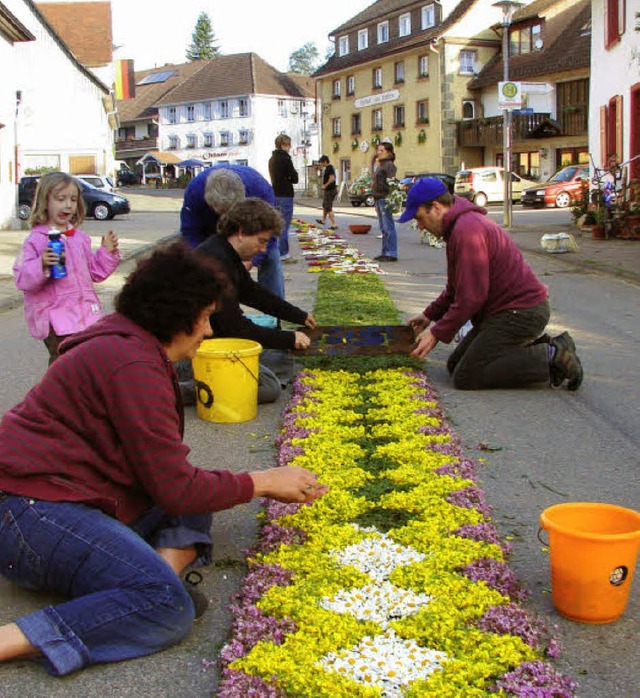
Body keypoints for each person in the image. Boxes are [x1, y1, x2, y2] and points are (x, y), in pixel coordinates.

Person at [0, 241, 328, 677]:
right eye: (206, 317)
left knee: (199, 499)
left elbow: (175, 482)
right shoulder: (131, 363)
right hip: (30, 514)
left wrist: (234, 484)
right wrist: (264, 480)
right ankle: (16, 638)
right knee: (168, 608)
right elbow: (175, 486)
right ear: (176, 314)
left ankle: (156, 574)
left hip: (64, 498)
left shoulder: (134, 344)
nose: (209, 331)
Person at [399, 178, 584, 391]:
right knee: (454, 365)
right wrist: (429, 315)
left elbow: (471, 297)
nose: (420, 226)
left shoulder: (467, 230)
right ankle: (546, 347)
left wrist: (436, 333)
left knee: (467, 376)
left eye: (419, 218)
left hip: (521, 313)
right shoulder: (459, 227)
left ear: (437, 208)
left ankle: (553, 356)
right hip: (504, 313)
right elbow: (455, 289)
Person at [178, 198, 315, 405]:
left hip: (216, 341)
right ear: (241, 232)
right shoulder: (215, 263)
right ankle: (178, 390)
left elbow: (254, 293)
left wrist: (299, 316)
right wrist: (289, 338)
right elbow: (235, 329)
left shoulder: (223, 251)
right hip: (191, 350)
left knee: (278, 357)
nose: (263, 249)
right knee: (270, 388)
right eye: (262, 241)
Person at [13, 172, 120, 364]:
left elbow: (95, 271)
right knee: (64, 364)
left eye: (72, 199)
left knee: (90, 361)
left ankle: (84, 393)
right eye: (60, 199)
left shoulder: (79, 238)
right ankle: (55, 394)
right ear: (45, 202)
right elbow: (21, 277)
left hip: (86, 315)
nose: (68, 205)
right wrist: (42, 264)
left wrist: (107, 252)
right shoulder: (37, 240)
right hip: (56, 317)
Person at [180, 165, 285, 299]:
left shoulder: (260, 190)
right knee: (199, 267)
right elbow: (190, 232)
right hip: (209, 228)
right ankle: (206, 310)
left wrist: (252, 260)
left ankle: (275, 312)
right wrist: (205, 260)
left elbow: (270, 233)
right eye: (221, 212)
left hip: (250, 225)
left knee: (270, 258)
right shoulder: (195, 191)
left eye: (229, 211)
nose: (226, 218)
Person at [268, 134, 299, 261]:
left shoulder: (272, 159)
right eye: (288, 144)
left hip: (275, 193)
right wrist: (290, 177)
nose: (290, 147)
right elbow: (295, 178)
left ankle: (275, 251)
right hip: (286, 194)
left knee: (276, 224)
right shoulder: (286, 159)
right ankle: (284, 253)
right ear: (283, 145)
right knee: (284, 225)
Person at [373, 142, 399, 262]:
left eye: (381, 150)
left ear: (388, 152)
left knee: (388, 226)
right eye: (378, 150)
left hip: (384, 197)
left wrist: (391, 197)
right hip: (378, 197)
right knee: (383, 227)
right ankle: (385, 251)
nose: (378, 152)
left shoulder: (388, 165)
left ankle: (391, 252)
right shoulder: (381, 165)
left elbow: (391, 182)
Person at [315, 155, 338, 230]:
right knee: (325, 205)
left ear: (325, 161)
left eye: (322, 163)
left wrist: (325, 185)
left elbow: (332, 178)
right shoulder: (327, 168)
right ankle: (323, 220)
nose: (321, 165)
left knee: (328, 207)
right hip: (329, 190)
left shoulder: (330, 168)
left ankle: (334, 223)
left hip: (330, 190)